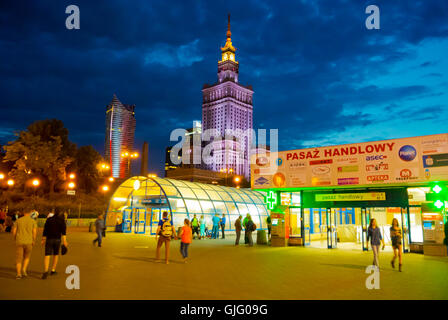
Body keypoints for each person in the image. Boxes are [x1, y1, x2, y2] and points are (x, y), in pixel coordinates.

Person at [41, 210, 68, 279]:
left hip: (49, 239)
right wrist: (65, 241)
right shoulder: (62, 221)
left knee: (47, 255)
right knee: (55, 255)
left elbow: (45, 230)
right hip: (57, 240)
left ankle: (46, 270)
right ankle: (53, 270)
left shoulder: (49, 220)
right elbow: (63, 232)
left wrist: (43, 239)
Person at [12, 209, 37, 279]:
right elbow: (34, 232)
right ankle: (24, 269)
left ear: (23, 213)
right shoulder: (33, 221)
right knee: (27, 257)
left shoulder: (18, 220)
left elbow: (14, 231)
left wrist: (15, 238)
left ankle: (18, 274)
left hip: (19, 241)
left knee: (18, 258)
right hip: (29, 241)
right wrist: (33, 240)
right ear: (30, 213)